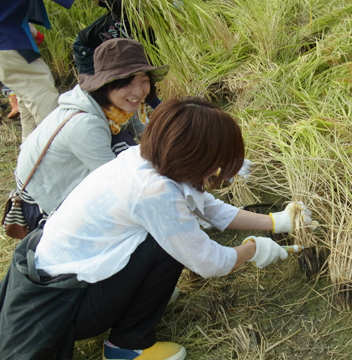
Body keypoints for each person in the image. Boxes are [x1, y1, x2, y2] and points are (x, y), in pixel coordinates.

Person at [0, 96, 316, 360]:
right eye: (218, 163)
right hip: (65, 307)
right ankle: (127, 344)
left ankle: (135, 306)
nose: (220, 172)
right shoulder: (154, 192)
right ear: (196, 157)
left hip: (66, 281)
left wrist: (274, 222)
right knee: (170, 241)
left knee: (173, 234)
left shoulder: (145, 159)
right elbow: (207, 261)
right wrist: (252, 249)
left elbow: (205, 205)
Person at [14, 38, 168, 232]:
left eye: (144, 81)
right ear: (107, 84)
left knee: (132, 150)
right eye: (127, 83)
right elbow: (117, 184)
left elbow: (149, 136)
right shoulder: (85, 124)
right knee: (125, 150)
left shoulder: (118, 106)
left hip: (72, 182)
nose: (138, 91)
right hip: (43, 204)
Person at [0, 0, 70, 142]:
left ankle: (29, 158)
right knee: (44, 99)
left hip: (12, 36)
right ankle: (59, 151)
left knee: (27, 99)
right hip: (8, 40)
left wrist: (26, 26)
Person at [73, 0, 162, 109]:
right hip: (88, 48)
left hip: (110, 55)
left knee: (136, 79)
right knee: (97, 89)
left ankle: (157, 107)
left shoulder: (148, 36)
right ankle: (90, 110)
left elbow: (148, 64)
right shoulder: (124, 9)